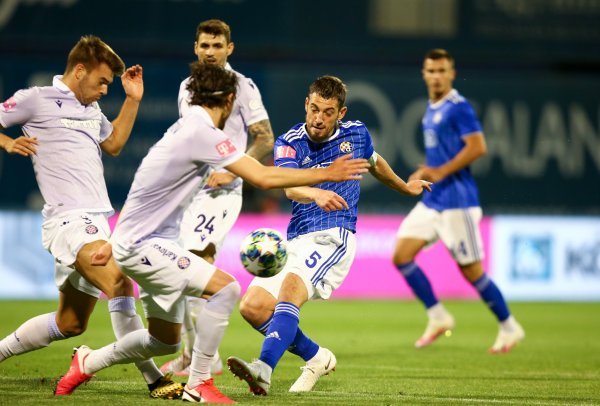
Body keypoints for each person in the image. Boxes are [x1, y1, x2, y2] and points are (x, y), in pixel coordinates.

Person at [53, 63, 370, 403]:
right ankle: (200, 383)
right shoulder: (202, 133)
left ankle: (88, 360)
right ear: (229, 100)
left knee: (164, 340)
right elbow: (262, 177)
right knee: (226, 289)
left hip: (142, 243)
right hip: (147, 247)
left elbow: (145, 185)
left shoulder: (183, 129)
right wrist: (324, 177)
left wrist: (117, 241)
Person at [0, 35, 183, 399]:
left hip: (95, 222)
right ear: (80, 70)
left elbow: (113, 144)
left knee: (70, 323)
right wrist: (6, 142)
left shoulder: (91, 110)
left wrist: (132, 100)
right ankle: (154, 379)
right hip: (68, 221)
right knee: (119, 282)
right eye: (102, 81)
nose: (104, 89)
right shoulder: (35, 99)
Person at [226, 75, 432, 395]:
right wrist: (315, 194)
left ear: (341, 113)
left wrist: (405, 187)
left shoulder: (357, 135)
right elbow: (290, 185)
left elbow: (375, 163)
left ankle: (263, 368)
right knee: (252, 307)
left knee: (291, 289)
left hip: (334, 236)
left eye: (328, 111)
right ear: (306, 105)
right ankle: (317, 356)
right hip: (296, 237)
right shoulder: (288, 142)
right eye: (315, 109)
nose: (319, 118)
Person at [159, 18, 275, 378]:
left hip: (222, 193)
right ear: (195, 48)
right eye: (204, 46)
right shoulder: (186, 87)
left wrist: (233, 169)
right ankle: (191, 355)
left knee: (197, 268)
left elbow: (265, 138)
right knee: (179, 274)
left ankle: (202, 366)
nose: (210, 52)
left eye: (217, 46)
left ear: (229, 49)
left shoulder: (242, 86)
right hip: (190, 192)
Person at [392, 48, 525, 353]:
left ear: (451, 73)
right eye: (431, 71)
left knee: (472, 272)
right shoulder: (431, 107)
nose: (436, 76)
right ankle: (438, 316)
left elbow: (478, 147)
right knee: (401, 255)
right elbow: (443, 152)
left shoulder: (458, 107)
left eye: (442, 71)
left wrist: (440, 170)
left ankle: (509, 326)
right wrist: (428, 169)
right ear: (424, 74)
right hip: (433, 200)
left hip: (457, 202)